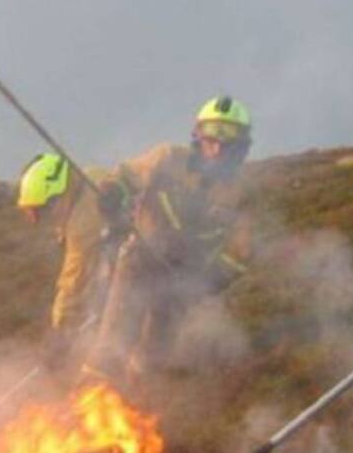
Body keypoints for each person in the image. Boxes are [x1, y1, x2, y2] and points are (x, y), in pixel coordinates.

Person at [83, 96, 253, 386]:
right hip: (142, 259)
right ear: (198, 134)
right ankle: (94, 392)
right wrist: (112, 192)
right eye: (212, 132)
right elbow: (127, 175)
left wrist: (210, 279)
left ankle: (137, 403)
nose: (218, 143)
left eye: (228, 135)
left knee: (153, 355)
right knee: (115, 337)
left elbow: (239, 252)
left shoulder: (240, 193)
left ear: (241, 145)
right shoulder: (166, 158)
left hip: (183, 279)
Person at [17, 153, 132, 369]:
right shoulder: (88, 177)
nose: (42, 220)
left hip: (140, 258)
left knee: (114, 300)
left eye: (41, 210)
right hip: (139, 241)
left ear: (55, 198)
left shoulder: (83, 221)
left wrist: (59, 332)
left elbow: (74, 281)